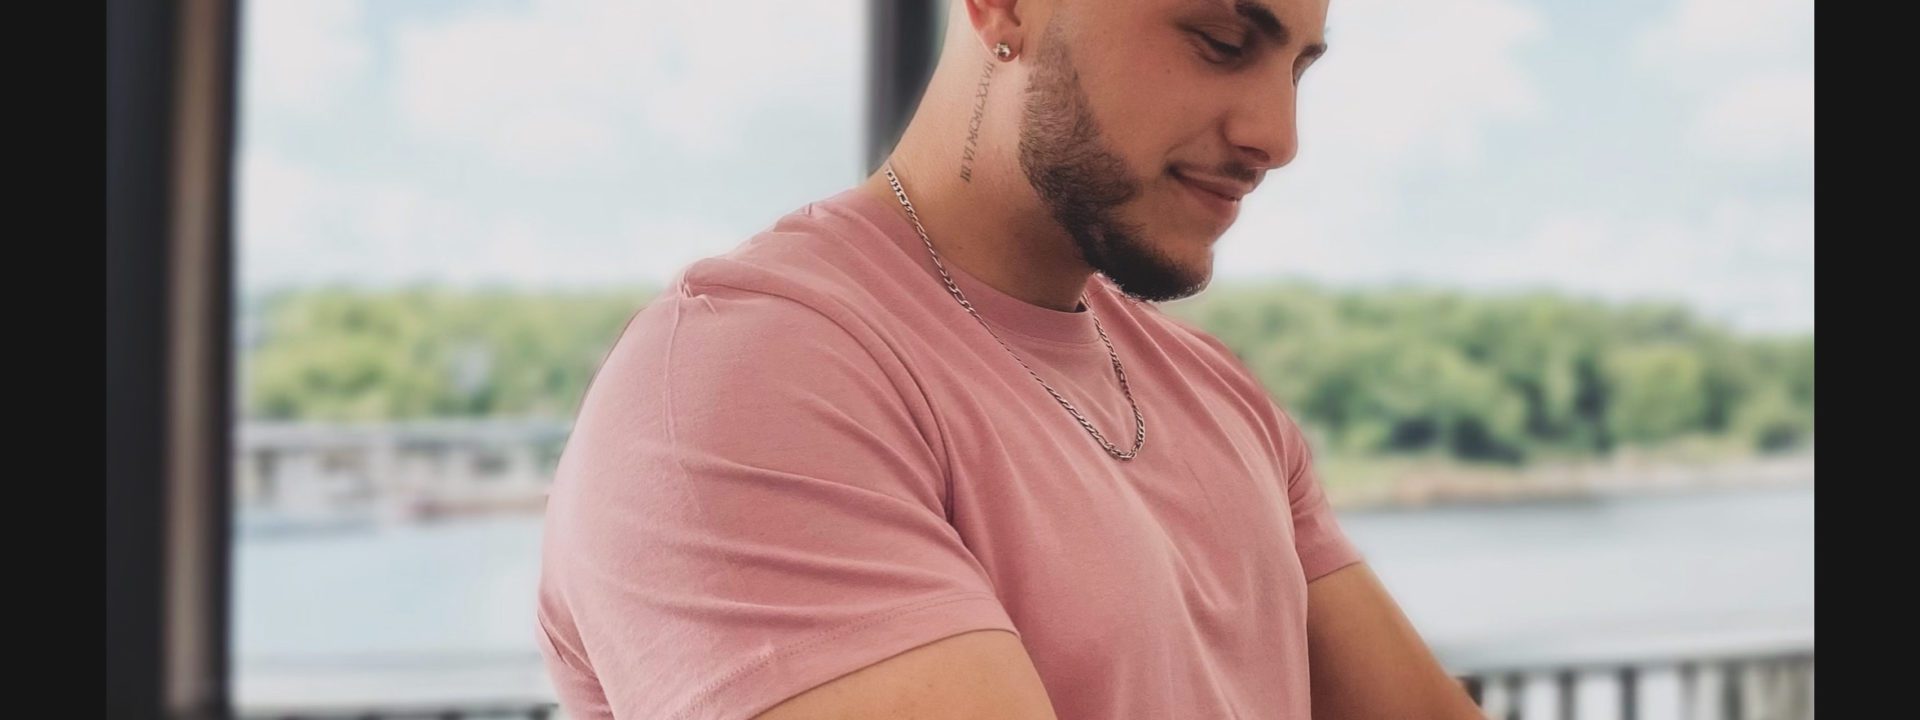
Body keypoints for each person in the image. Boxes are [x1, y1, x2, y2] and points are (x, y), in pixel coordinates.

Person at [534, 0, 1482, 717]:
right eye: (1221, 42)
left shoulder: (1219, 394)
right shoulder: (745, 378)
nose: (1276, 137)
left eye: (1298, 69)